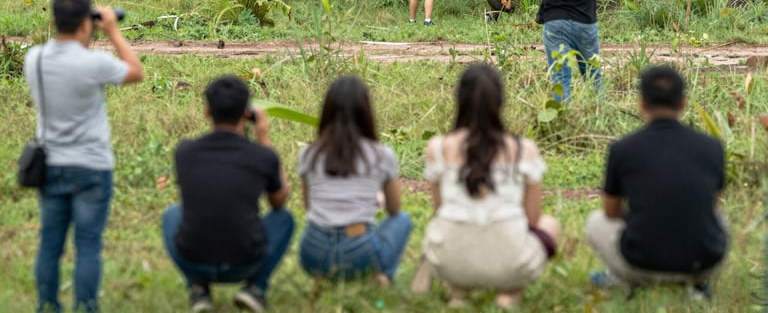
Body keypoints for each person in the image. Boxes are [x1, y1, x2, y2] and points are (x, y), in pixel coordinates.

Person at [23, 0, 144, 313]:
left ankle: (47, 305)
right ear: (86, 24)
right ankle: (86, 306)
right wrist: (113, 31)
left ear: (53, 21)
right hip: (91, 166)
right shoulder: (94, 63)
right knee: (88, 245)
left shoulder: (33, 58)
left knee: (50, 244)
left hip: (50, 165)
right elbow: (135, 71)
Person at [415, 64, 560, 309]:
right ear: (501, 101)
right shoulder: (523, 150)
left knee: (442, 226)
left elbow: (439, 211)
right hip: (510, 262)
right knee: (550, 224)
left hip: (452, 261)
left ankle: (458, 290)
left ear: (458, 99)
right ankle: (510, 292)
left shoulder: (438, 148)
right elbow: (533, 219)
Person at [586, 64, 729, 298]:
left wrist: (643, 214)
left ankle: (624, 278)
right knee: (721, 219)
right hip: (701, 263)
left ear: (641, 104)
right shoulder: (713, 148)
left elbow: (610, 212)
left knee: (595, 222)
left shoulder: (623, 149)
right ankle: (697, 285)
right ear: (683, 103)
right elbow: (711, 205)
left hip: (641, 263)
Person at [162, 75, 294, 313]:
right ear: (247, 113)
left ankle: (198, 289)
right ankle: (255, 289)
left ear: (206, 112)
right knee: (285, 219)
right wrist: (264, 138)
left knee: (172, 214)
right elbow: (279, 200)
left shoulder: (185, 152)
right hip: (246, 261)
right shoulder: (261, 155)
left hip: (194, 259)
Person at [297, 75, 412, 285]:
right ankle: (383, 277)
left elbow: (309, 206)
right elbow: (394, 209)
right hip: (359, 249)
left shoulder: (308, 153)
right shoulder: (381, 155)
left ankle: (324, 276)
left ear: (327, 111)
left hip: (312, 252)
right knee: (402, 220)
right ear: (366, 112)